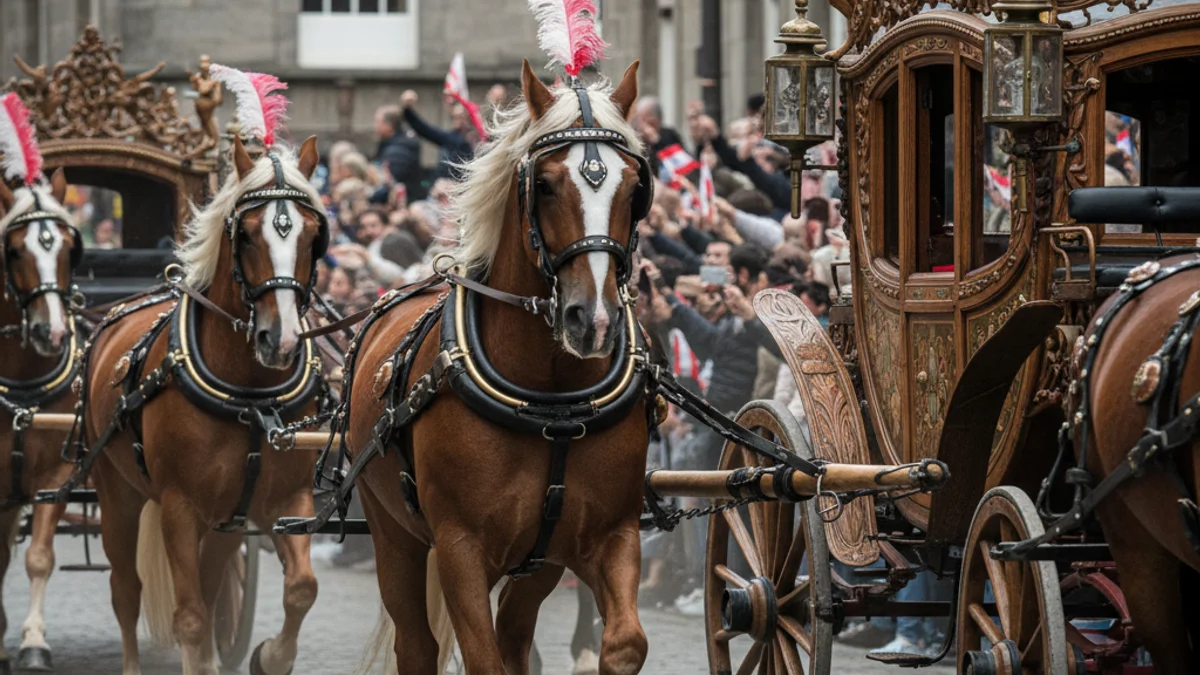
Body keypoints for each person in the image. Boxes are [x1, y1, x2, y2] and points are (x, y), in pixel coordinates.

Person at [401, 90, 475, 180]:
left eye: (461, 117)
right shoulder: (451, 137)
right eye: (455, 117)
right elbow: (424, 129)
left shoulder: (477, 138)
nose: (457, 121)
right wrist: (408, 110)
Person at [374, 104, 423, 201]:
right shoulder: (390, 144)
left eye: (378, 123)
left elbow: (390, 182)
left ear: (388, 126)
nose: (375, 127)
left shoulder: (398, 151)